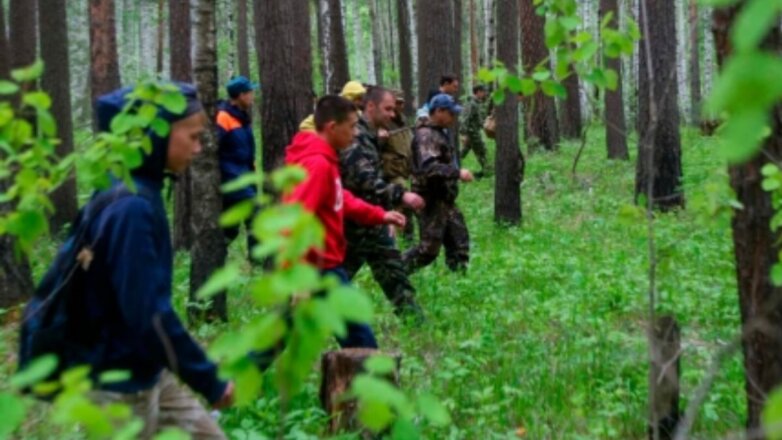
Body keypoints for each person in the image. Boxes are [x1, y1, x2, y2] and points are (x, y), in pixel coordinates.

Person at [31, 84, 234, 438]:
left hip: (146, 368)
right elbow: (147, 313)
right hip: (117, 386)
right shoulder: (132, 208)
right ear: (157, 135)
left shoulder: (140, 189)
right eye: (192, 136)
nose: (198, 147)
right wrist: (208, 379)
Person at [284, 95, 407, 347]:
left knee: (281, 333)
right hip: (318, 269)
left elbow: (342, 198)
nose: (355, 134)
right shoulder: (318, 164)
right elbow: (296, 217)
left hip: (324, 265)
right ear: (332, 127)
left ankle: (233, 376)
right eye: (351, 126)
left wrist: (379, 214)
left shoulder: (327, 159)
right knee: (362, 342)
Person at [339, 87, 425, 319]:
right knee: (332, 281)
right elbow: (365, 180)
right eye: (387, 109)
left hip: (373, 222)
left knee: (394, 274)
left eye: (393, 108)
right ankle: (294, 321)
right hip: (353, 226)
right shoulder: (355, 139)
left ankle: (417, 324)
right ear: (370, 107)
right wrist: (401, 195)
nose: (391, 113)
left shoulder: (371, 136)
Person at [403, 94, 474, 274]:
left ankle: (459, 281)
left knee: (459, 241)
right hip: (430, 200)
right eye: (451, 113)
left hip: (445, 200)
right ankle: (396, 271)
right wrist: (457, 173)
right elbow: (430, 168)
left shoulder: (438, 132)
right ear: (439, 111)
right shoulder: (426, 135)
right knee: (428, 250)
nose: (453, 118)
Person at [217, 76, 259, 259]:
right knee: (256, 212)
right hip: (231, 177)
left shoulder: (241, 117)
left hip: (244, 175)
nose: (253, 96)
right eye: (250, 93)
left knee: (231, 228)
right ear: (241, 95)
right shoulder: (223, 117)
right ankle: (257, 261)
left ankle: (216, 254)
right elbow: (212, 149)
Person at [381, 91, 416, 240]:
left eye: (402, 103)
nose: (400, 106)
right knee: (403, 201)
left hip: (405, 169)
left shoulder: (403, 120)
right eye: (397, 103)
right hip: (391, 172)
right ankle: (398, 236)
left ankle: (407, 236)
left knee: (407, 204)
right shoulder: (383, 121)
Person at [299, 81, 367, 132]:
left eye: (362, 98)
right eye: (359, 99)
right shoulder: (333, 109)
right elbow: (304, 126)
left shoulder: (358, 113)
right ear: (350, 98)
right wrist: (326, 139)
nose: (362, 102)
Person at [460, 84, 489, 178]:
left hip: (473, 131)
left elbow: (477, 119)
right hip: (472, 133)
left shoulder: (476, 103)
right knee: (482, 151)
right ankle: (487, 171)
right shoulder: (471, 103)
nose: (485, 94)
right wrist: (463, 134)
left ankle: (452, 165)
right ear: (478, 92)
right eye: (483, 92)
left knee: (464, 151)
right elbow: (465, 119)